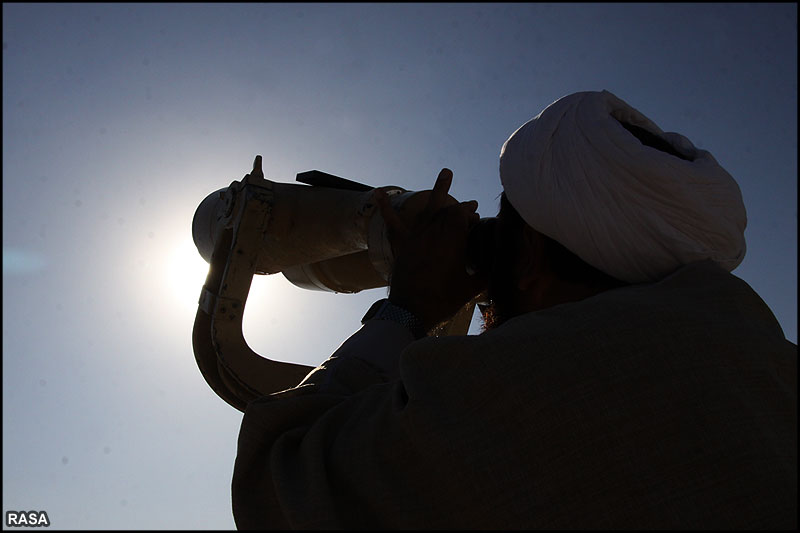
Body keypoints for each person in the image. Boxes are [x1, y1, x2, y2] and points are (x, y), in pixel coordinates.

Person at [231, 90, 797, 529]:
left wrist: (406, 309)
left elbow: (276, 489)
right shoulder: (763, 360)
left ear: (526, 254)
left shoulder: (533, 387)